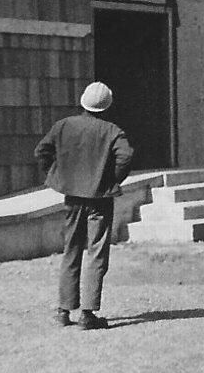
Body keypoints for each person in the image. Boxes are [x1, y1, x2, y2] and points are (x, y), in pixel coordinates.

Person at [33, 80, 134, 330]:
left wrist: (57, 176)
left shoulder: (63, 126)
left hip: (72, 198)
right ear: (107, 106)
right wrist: (110, 180)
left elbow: (42, 151)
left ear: (83, 102)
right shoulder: (112, 131)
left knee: (71, 250)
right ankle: (88, 314)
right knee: (96, 253)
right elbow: (126, 156)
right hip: (100, 200)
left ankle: (63, 310)